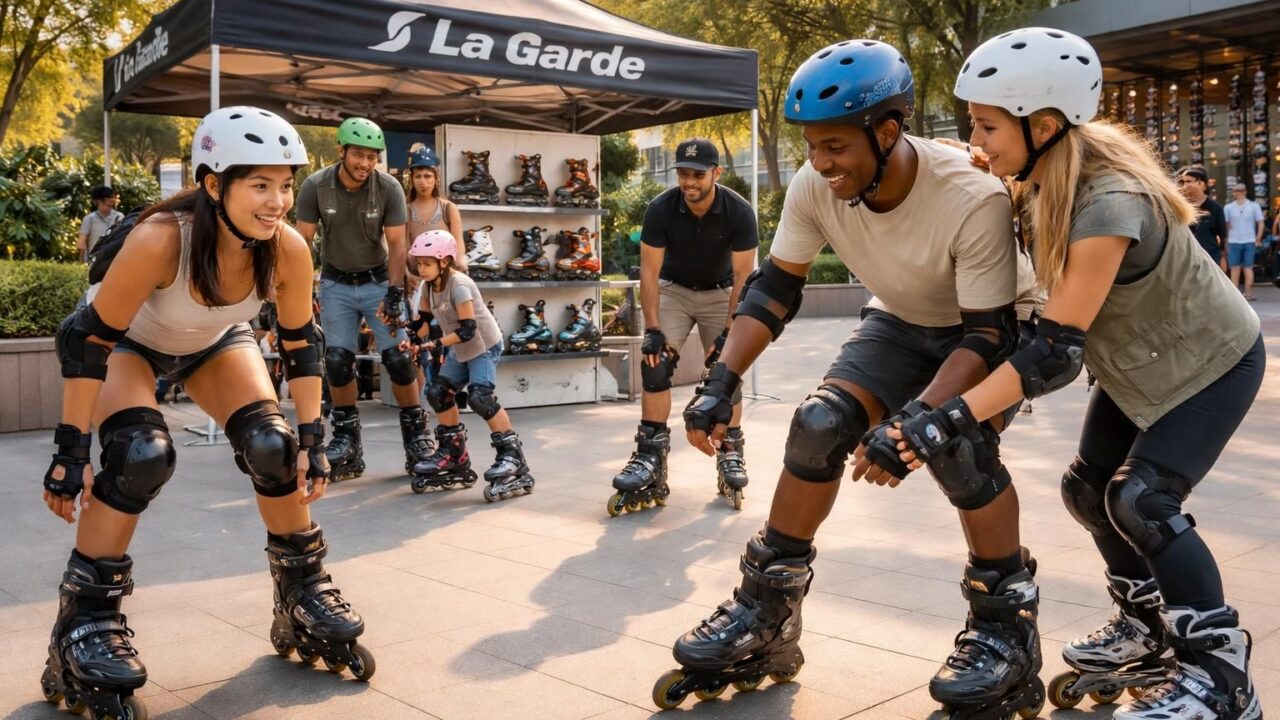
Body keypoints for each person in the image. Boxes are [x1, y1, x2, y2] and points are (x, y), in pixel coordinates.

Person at [652, 41, 1042, 719]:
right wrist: (720, 382)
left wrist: (915, 419)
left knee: (954, 445)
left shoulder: (970, 196)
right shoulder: (814, 187)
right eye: (812, 146)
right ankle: (766, 613)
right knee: (818, 425)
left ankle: (1004, 631)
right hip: (901, 318)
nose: (821, 163)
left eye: (836, 146)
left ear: (887, 131)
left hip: (993, 328)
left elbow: (985, 335)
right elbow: (773, 291)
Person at [890, 28, 1264, 720]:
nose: (978, 139)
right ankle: (1147, 631)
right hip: (1136, 365)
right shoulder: (1041, 173)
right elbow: (958, 162)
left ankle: (1221, 678)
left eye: (987, 124)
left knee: (1143, 501)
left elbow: (1055, 350)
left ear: (1045, 125)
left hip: (1212, 363)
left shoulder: (1106, 202)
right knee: (1087, 490)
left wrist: (949, 415)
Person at [39, 107, 374, 720]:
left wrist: (312, 438)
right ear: (214, 184)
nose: (276, 202)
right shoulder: (164, 237)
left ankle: (301, 590)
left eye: (284, 184)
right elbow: (89, 343)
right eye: (258, 185)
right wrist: (70, 454)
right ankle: (83, 623)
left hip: (213, 339)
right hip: (127, 345)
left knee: (274, 447)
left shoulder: (288, 248)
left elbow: (302, 346)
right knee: (142, 456)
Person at [609, 138, 758, 515]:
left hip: (722, 293)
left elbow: (743, 277)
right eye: (682, 174)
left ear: (716, 173)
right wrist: (653, 330)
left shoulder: (739, 212)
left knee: (729, 369)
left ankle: (730, 451)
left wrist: (729, 332)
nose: (689, 181)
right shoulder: (661, 209)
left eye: (697, 174)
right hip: (674, 290)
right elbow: (650, 271)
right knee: (655, 364)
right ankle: (649, 457)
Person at [295, 117, 431, 479]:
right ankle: (346, 443)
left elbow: (399, 242)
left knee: (399, 360)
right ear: (340, 151)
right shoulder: (315, 186)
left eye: (372, 157)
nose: (365, 164)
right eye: (358, 155)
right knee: (338, 361)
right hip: (336, 284)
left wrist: (394, 291)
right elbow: (301, 242)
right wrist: (299, 291)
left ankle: (417, 438)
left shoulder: (388, 188)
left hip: (376, 281)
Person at [402, 230, 535, 501]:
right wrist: (410, 336)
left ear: (445, 262)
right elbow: (423, 322)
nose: (422, 268)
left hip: (483, 345)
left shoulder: (459, 285)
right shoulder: (429, 286)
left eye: (427, 263)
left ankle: (512, 457)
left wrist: (434, 344)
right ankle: (453, 454)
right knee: (437, 393)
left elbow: (467, 329)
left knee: (480, 398)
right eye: (419, 263)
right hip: (461, 348)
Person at [1177, 166, 1228, 269]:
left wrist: (1223, 255)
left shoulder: (1215, 208)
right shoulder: (1180, 206)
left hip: (1209, 257)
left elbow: (1223, 234)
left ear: (1202, 184)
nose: (1185, 185)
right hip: (1186, 257)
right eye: (1183, 182)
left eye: (1189, 181)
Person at [1223, 182, 1264, 300]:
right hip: (1234, 240)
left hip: (1249, 240)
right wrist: (1225, 240)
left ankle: (1248, 293)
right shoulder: (1229, 207)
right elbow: (1226, 225)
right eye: (1236, 190)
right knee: (1235, 268)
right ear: (1234, 193)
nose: (1239, 192)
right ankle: (1235, 295)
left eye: (1241, 190)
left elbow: (1260, 222)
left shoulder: (1253, 206)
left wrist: (1258, 237)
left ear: (1245, 191)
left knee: (1248, 267)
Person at [78, 186, 124, 262]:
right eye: (108, 196)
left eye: (113, 196)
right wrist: (81, 263)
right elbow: (82, 242)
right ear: (98, 200)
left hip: (113, 260)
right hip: (95, 261)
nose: (112, 199)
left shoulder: (119, 217)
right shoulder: (90, 219)